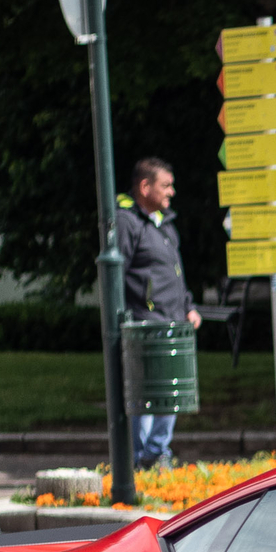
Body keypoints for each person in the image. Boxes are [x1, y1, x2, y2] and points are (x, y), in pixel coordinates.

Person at [116, 158, 202, 469]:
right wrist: (125, 317)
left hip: (174, 321)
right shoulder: (127, 222)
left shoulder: (164, 224)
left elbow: (175, 273)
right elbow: (116, 273)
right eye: (165, 185)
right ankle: (141, 457)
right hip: (146, 324)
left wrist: (189, 306)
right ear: (145, 186)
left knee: (172, 390)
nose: (172, 192)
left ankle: (157, 452)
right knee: (148, 393)